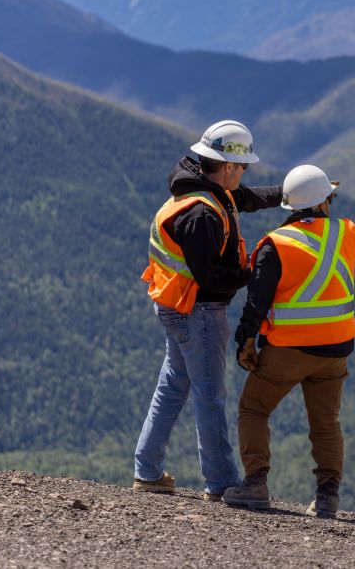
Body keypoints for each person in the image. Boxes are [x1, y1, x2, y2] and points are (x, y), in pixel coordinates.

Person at [222, 164, 355, 517]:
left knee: (255, 409)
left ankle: (256, 484)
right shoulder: (346, 234)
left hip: (288, 350)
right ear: (323, 202)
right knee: (326, 423)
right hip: (335, 351)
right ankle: (327, 497)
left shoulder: (275, 244)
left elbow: (257, 303)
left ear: (290, 206)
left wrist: (246, 341)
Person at [133, 120, 283, 502]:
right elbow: (213, 278)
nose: (245, 173)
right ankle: (221, 483)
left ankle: (147, 470)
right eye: (243, 166)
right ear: (228, 167)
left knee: (173, 385)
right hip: (197, 312)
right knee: (210, 395)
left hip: (174, 306)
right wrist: (255, 273)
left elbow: (248, 198)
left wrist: (291, 194)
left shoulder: (202, 190)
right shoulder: (202, 215)